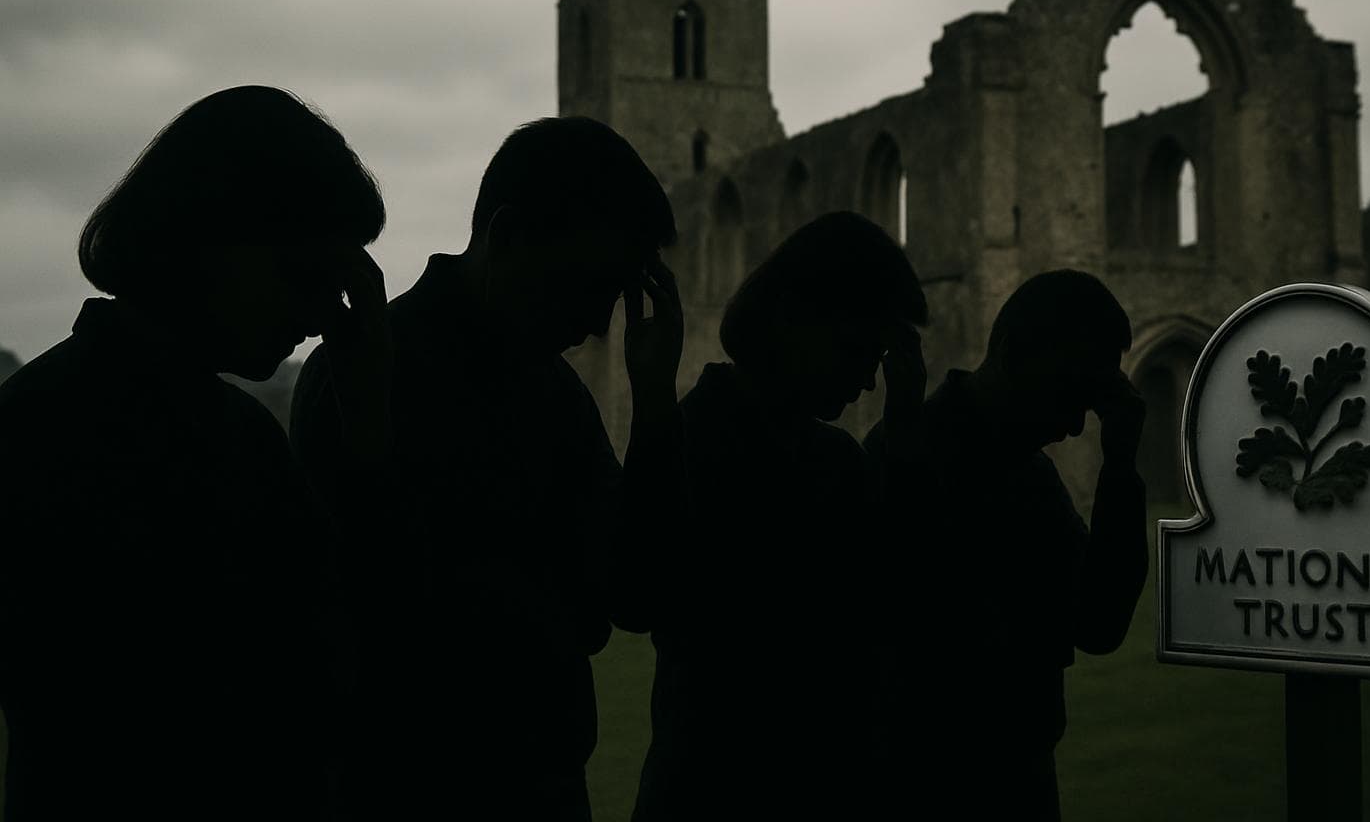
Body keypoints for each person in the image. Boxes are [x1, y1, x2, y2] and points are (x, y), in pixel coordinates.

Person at [0, 86, 388, 820]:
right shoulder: (203, 438)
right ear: (220, 242)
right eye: (307, 270)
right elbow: (341, 671)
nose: (320, 312)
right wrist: (367, 436)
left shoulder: (50, 412)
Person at [289, 115, 684, 820]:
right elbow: (369, 628)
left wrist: (654, 403)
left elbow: (633, 596)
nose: (600, 323)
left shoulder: (556, 394)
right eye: (591, 285)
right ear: (506, 239)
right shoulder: (364, 374)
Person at [612, 211, 929, 821]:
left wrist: (908, 440)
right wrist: (651, 404)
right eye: (856, 349)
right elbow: (635, 596)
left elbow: (903, 605)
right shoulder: (695, 439)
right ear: (793, 323)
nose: (870, 379)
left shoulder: (834, 457)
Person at [864, 268, 1148, 821]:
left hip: (1021, 785)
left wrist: (1119, 467)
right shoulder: (905, 452)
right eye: (1071, 391)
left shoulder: (1033, 476)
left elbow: (1099, 624)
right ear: (1015, 352)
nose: (1073, 424)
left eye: (1090, 401)